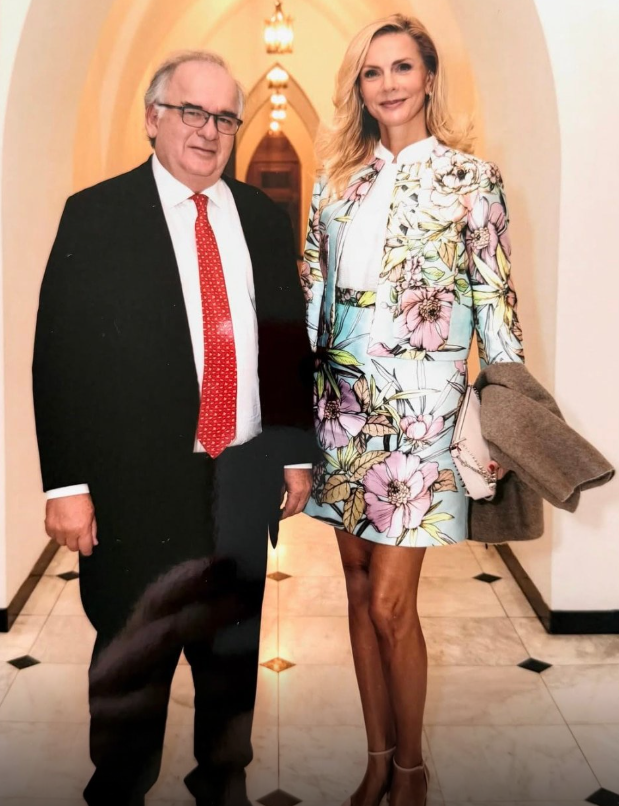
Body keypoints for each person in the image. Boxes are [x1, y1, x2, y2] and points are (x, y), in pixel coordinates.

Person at [33, 50, 316, 806]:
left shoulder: (260, 216)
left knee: (230, 662)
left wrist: (294, 451)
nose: (209, 130)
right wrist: (66, 484)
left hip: (242, 480)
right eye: (192, 111)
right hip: (136, 487)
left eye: (225, 117)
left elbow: (284, 339)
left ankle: (222, 783)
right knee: (133, 662)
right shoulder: (96, 215)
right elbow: (58, 355)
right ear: (153, 118)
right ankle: (120, 789)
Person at [301, 14, 524, 806]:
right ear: (357, 88)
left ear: (428, 76)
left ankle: (410, 770)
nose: (387, 84)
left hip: (424, 419)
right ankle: (375, 758)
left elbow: (496, 308)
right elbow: (311, 302)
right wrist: (296, 419)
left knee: (393, 602)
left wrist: (505, 413)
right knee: (358, 590)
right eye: (372, 72)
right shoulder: (333, 185)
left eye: (401, 67)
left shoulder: (473, 180)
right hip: (340, 410)